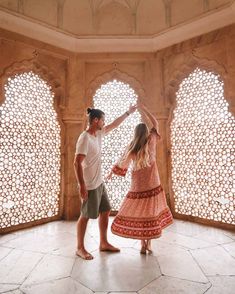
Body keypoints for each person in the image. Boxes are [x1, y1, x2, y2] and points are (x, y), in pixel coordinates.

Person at [74, 105, 137, 260]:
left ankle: (103, 242)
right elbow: (76, 163)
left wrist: (128, 112)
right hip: (89, 184)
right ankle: (80, 248)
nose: (104, 123)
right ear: (96, 120)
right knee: (85, 215)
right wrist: (82, 185)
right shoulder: (85, 137)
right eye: (103, 120)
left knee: (106, 210)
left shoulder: (98, 134)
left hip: (99, 182)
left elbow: (114, 125)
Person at [108, 104, 173, 254]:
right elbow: (155, 122)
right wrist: (144, 108)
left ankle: (143, 244)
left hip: (138, 186)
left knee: (141, 213)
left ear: (135, 134)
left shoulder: (133, 147)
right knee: (150, 213)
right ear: (146, 133)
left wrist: (112, 172)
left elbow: (122, 163)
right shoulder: (151, 141)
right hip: (152, 184)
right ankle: (147, 245)